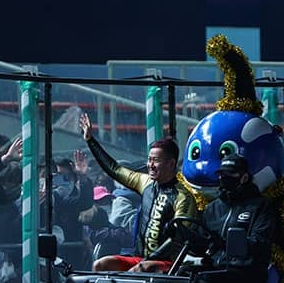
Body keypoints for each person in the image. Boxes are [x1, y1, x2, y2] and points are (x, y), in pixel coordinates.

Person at [79, 113, 197, 273]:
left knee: (141, 268)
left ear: (171, 164)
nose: (150, 165)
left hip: (169, 264)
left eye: (156, 160)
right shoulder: (145, 182)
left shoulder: (183, 197)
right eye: (149, 160)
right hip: (140, 260)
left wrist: (147, 262)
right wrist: (90, 141)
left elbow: (176, 240)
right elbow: (114, 169)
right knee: (100, 265)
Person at [198, 154, 277, 283]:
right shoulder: (212, 208)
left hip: (247, 271)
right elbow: (200, 239)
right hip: (216, 267)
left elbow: (260, 242)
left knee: (209, 282)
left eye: (230, 174)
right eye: (221, 174)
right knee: (185, 278)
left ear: (244, 177)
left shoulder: (260, 206)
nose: (223, 178)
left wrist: (230, 243)